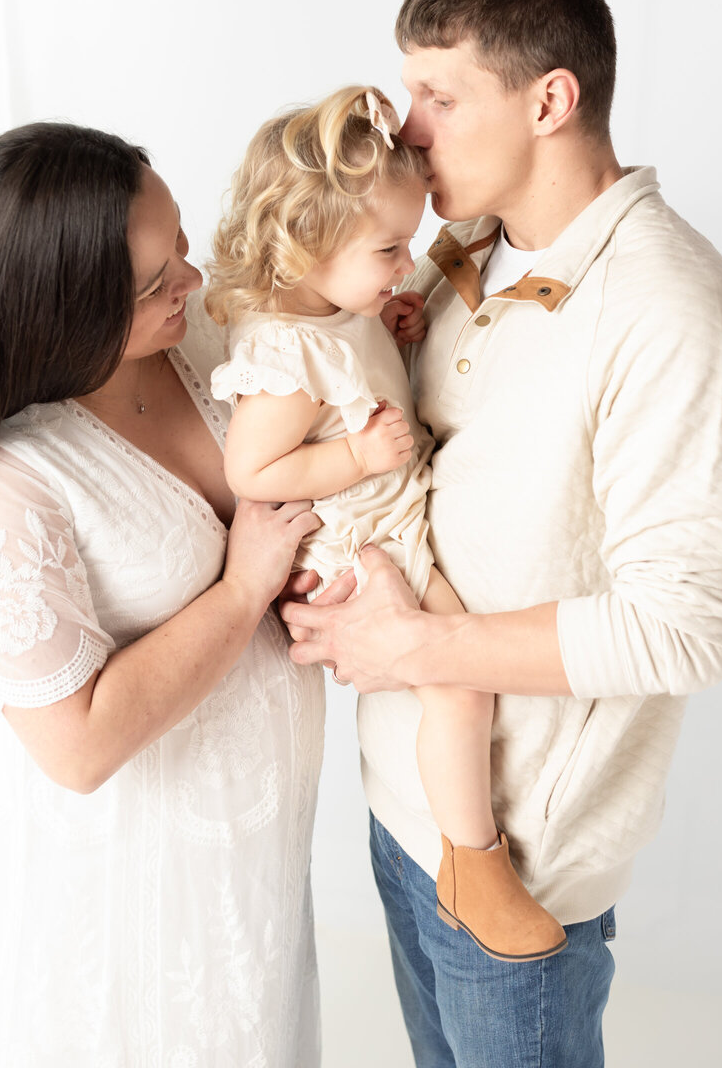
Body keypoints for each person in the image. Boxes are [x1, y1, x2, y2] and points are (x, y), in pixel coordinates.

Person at [281, 0, 722, 1067]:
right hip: (399, 809)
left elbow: (683, 627)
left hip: (520, 867)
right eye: (410, 91)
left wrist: (419, 641)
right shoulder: (455, 248)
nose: (409, 127)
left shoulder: (669, 313)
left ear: (551, 99)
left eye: (441, 97)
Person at [0, 123, 325, 1066]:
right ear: (61, 312)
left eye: (180, 251)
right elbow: (78, 745)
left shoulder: (187, 339)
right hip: (124, 893)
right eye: (157, 282)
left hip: (249, 856)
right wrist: (245, 585)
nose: (194, 286)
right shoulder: (2, 488)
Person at [204, 85, 567, 964]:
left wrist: (394, 332)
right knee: (461, 681)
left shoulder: (342, 310)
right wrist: (358, 460)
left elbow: (360, 386)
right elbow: (253, 470)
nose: (405, 264)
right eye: (387, 249)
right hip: (360, 548)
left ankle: (462, 852)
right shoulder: (284, 356)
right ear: (303, 246)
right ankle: (473, 865)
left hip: (388, 519)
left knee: (465, 672)